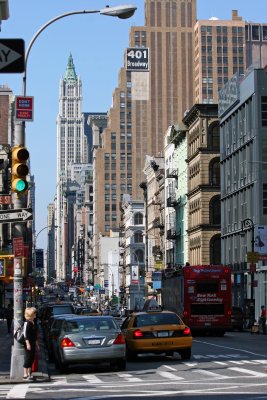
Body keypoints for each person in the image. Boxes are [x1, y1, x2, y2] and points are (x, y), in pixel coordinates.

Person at [23, 307, 39, 381]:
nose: (35, 315)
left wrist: (36, 344)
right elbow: (26, 334)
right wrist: (27, 344)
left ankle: (30, 373)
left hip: (33, 342)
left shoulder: (33, 322)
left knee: (32, 358)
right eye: (34, 313)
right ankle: (25, 374)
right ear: (31, 315)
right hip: (28, 343)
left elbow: (35, 335)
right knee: (28, 358)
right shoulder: (27, 323)